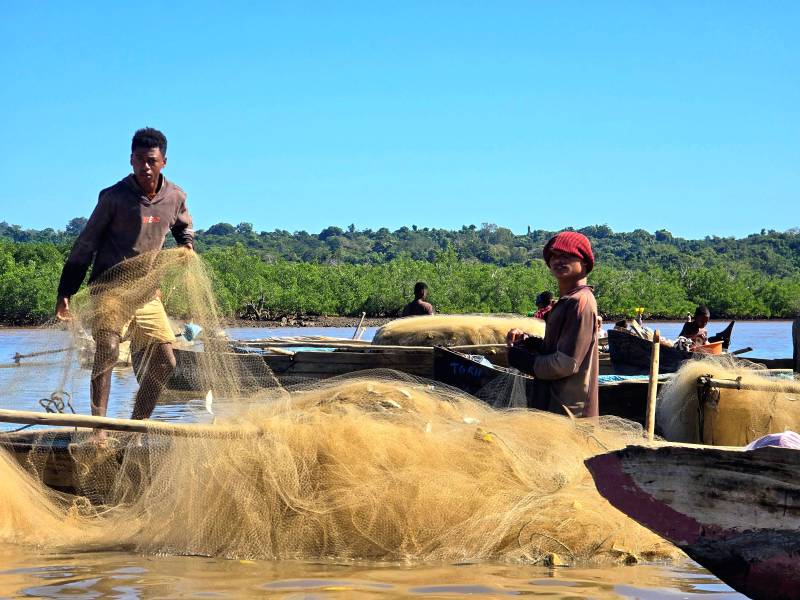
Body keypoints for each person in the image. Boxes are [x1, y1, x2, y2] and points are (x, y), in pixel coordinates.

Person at [55, 127, 193, 423]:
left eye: (152, 161)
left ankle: (136, 425)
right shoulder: (114, 197)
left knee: (165, 360)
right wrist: (65, 292)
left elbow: (182, 225)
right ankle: (99, 429)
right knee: (108, 349)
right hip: (109, 291)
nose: (145, 166)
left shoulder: (176, 197)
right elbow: (85, 246)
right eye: (139, 160)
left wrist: (187, 245)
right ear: (130, 159)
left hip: (147, 292)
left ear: (163, 162)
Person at [506, 231, 599, 417]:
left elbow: (565, 364)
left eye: (566, 255)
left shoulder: (580, 302)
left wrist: (521, 359)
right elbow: (556, 348)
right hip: (553, 408)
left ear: (585, 262)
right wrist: (527, 341)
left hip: (569, 413)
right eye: (554, 256)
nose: (558, 260)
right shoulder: (567, 301)